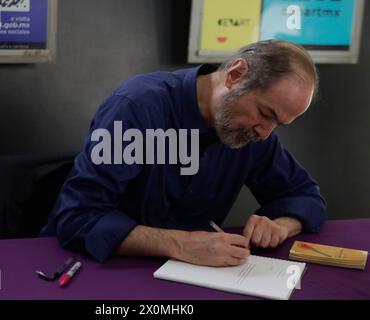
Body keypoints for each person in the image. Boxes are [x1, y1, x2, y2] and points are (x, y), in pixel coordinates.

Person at [41, 40, 326, 267]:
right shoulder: (137, 108)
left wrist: (282, 225)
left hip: (187, 275)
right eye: (265, 113)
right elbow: (77, 218)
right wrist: (180, 244)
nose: (265, 133)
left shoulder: (254, 134)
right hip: (89, 267)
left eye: (278, 124)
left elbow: (306, 196)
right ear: (236, 75)